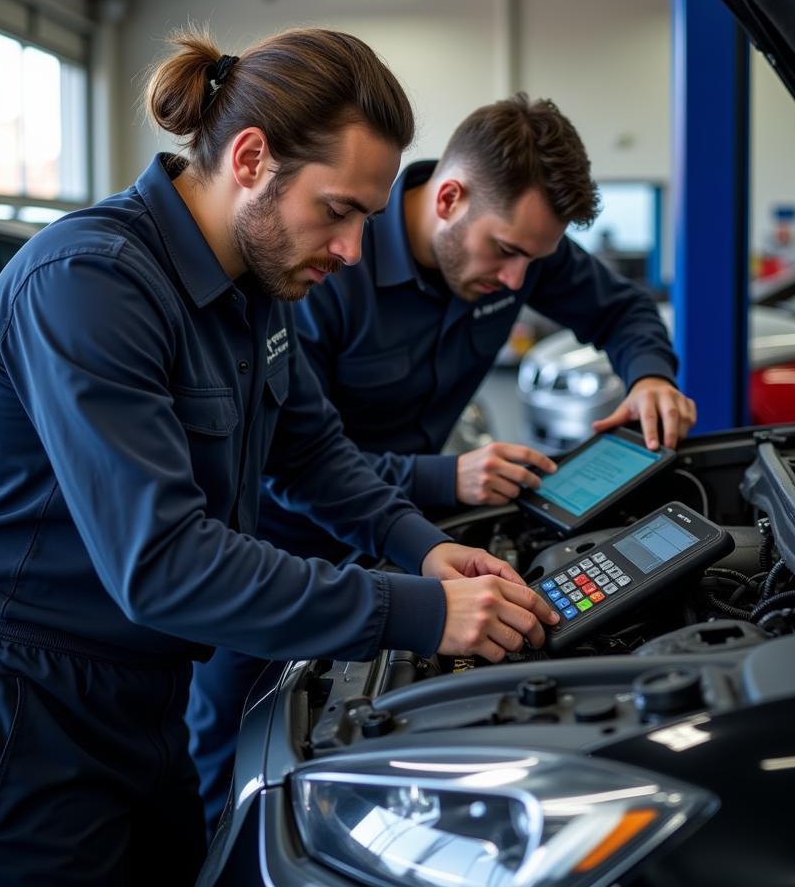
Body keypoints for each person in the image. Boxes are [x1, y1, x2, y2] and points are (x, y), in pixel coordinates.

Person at [0, 30, 558, 886]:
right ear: (251, 159)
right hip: (18, 703)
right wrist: (421, 612)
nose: (355, 250)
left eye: (366, 215)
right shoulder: (90, 283)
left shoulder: (257, 286)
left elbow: (312, 451)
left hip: (143, 689)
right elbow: (165, 562)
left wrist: (422, 545)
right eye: (337, 210)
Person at [188, 93, 698, 830]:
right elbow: (292, 455)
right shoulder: (323, 266)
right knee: (238, 756)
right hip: (279, 550)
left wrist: (652, 374)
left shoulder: (520, 246)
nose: (521, 283)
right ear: (451, 198)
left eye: (536, 259)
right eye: (508, 253)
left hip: (403, 535)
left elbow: (624, 311)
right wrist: (442, 476)